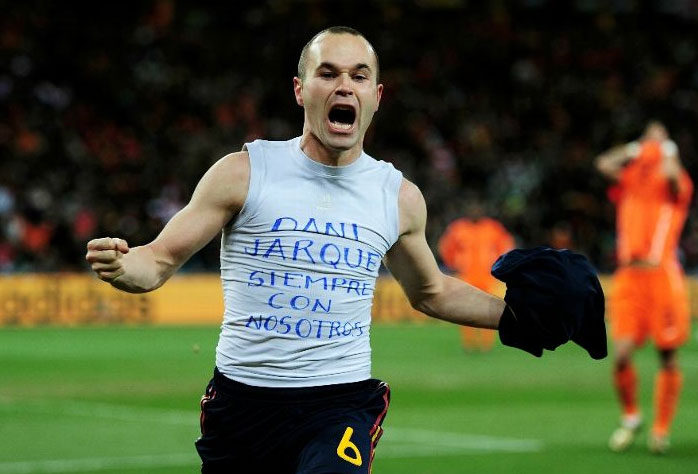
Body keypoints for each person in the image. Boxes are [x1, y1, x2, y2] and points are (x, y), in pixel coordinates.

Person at [86, 26, 604, 473]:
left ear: (376, 96)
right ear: (300, 90)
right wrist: (123, 265)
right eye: (328, 73)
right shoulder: (244, 172)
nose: (344, 86)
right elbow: (158, 260)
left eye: (358, 76)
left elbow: (431, 291)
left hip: (338, 404)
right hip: (241, 405)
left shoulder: (397, 197)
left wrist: (513, 317)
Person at [595, 121, 693, 455]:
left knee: (667, 354)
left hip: (661, 275)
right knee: (621, 355)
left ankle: (661, 430)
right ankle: (631, 416)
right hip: (628, 277)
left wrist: (668, 149)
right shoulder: (632, 178)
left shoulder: (675, 182)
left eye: (659, 136)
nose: (652, 141)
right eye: (648, 136)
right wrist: (634, 149)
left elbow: (675, 178)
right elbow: (603, 163)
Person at [438, 198, 514, 351]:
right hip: (466, 276)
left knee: (488, 308)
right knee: (465, 309)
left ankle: (486, 342)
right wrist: (453, 264)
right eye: (472, 210)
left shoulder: (493, 228)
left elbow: (506, 246)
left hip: (487, 276)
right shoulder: (458, 228)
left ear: (483, 212)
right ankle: (469, 342)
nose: (475, 213)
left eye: (477, 210)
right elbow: (446, 247)